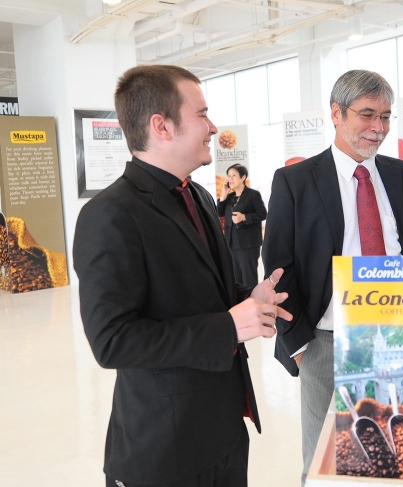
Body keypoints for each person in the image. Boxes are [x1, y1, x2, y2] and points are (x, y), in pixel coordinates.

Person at [73, 65, 292, 487]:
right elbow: (112, 341)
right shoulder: (109, 215)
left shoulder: (198, 195)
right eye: (202, 114)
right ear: (162, 126)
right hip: (163, 449)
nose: (213, 127)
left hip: (224, 434)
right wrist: (228, 326)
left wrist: (251, 296)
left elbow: (208, 290)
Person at [262, 69, 403, 485]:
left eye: (386, 116)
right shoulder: (295, 181)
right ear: (336, 113)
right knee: (325, 462)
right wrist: (302, 345)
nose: (378, 128)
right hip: (326, 343)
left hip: (400, 339)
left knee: (399, 454)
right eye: (367, 114)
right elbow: (278, 269)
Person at [217, 164, 267, 287]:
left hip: (248, 244)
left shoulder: (252, 195)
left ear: (243, 177)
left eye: (234, 175)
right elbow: (219, 212)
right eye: (229, 176)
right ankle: (241, 304)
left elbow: (262, 214)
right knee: (236, 279)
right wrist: (223, 194)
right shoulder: (229, 197)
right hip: (232, 243)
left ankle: (253, 303)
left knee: (249, 278)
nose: (230, 179)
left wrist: (244, 217)